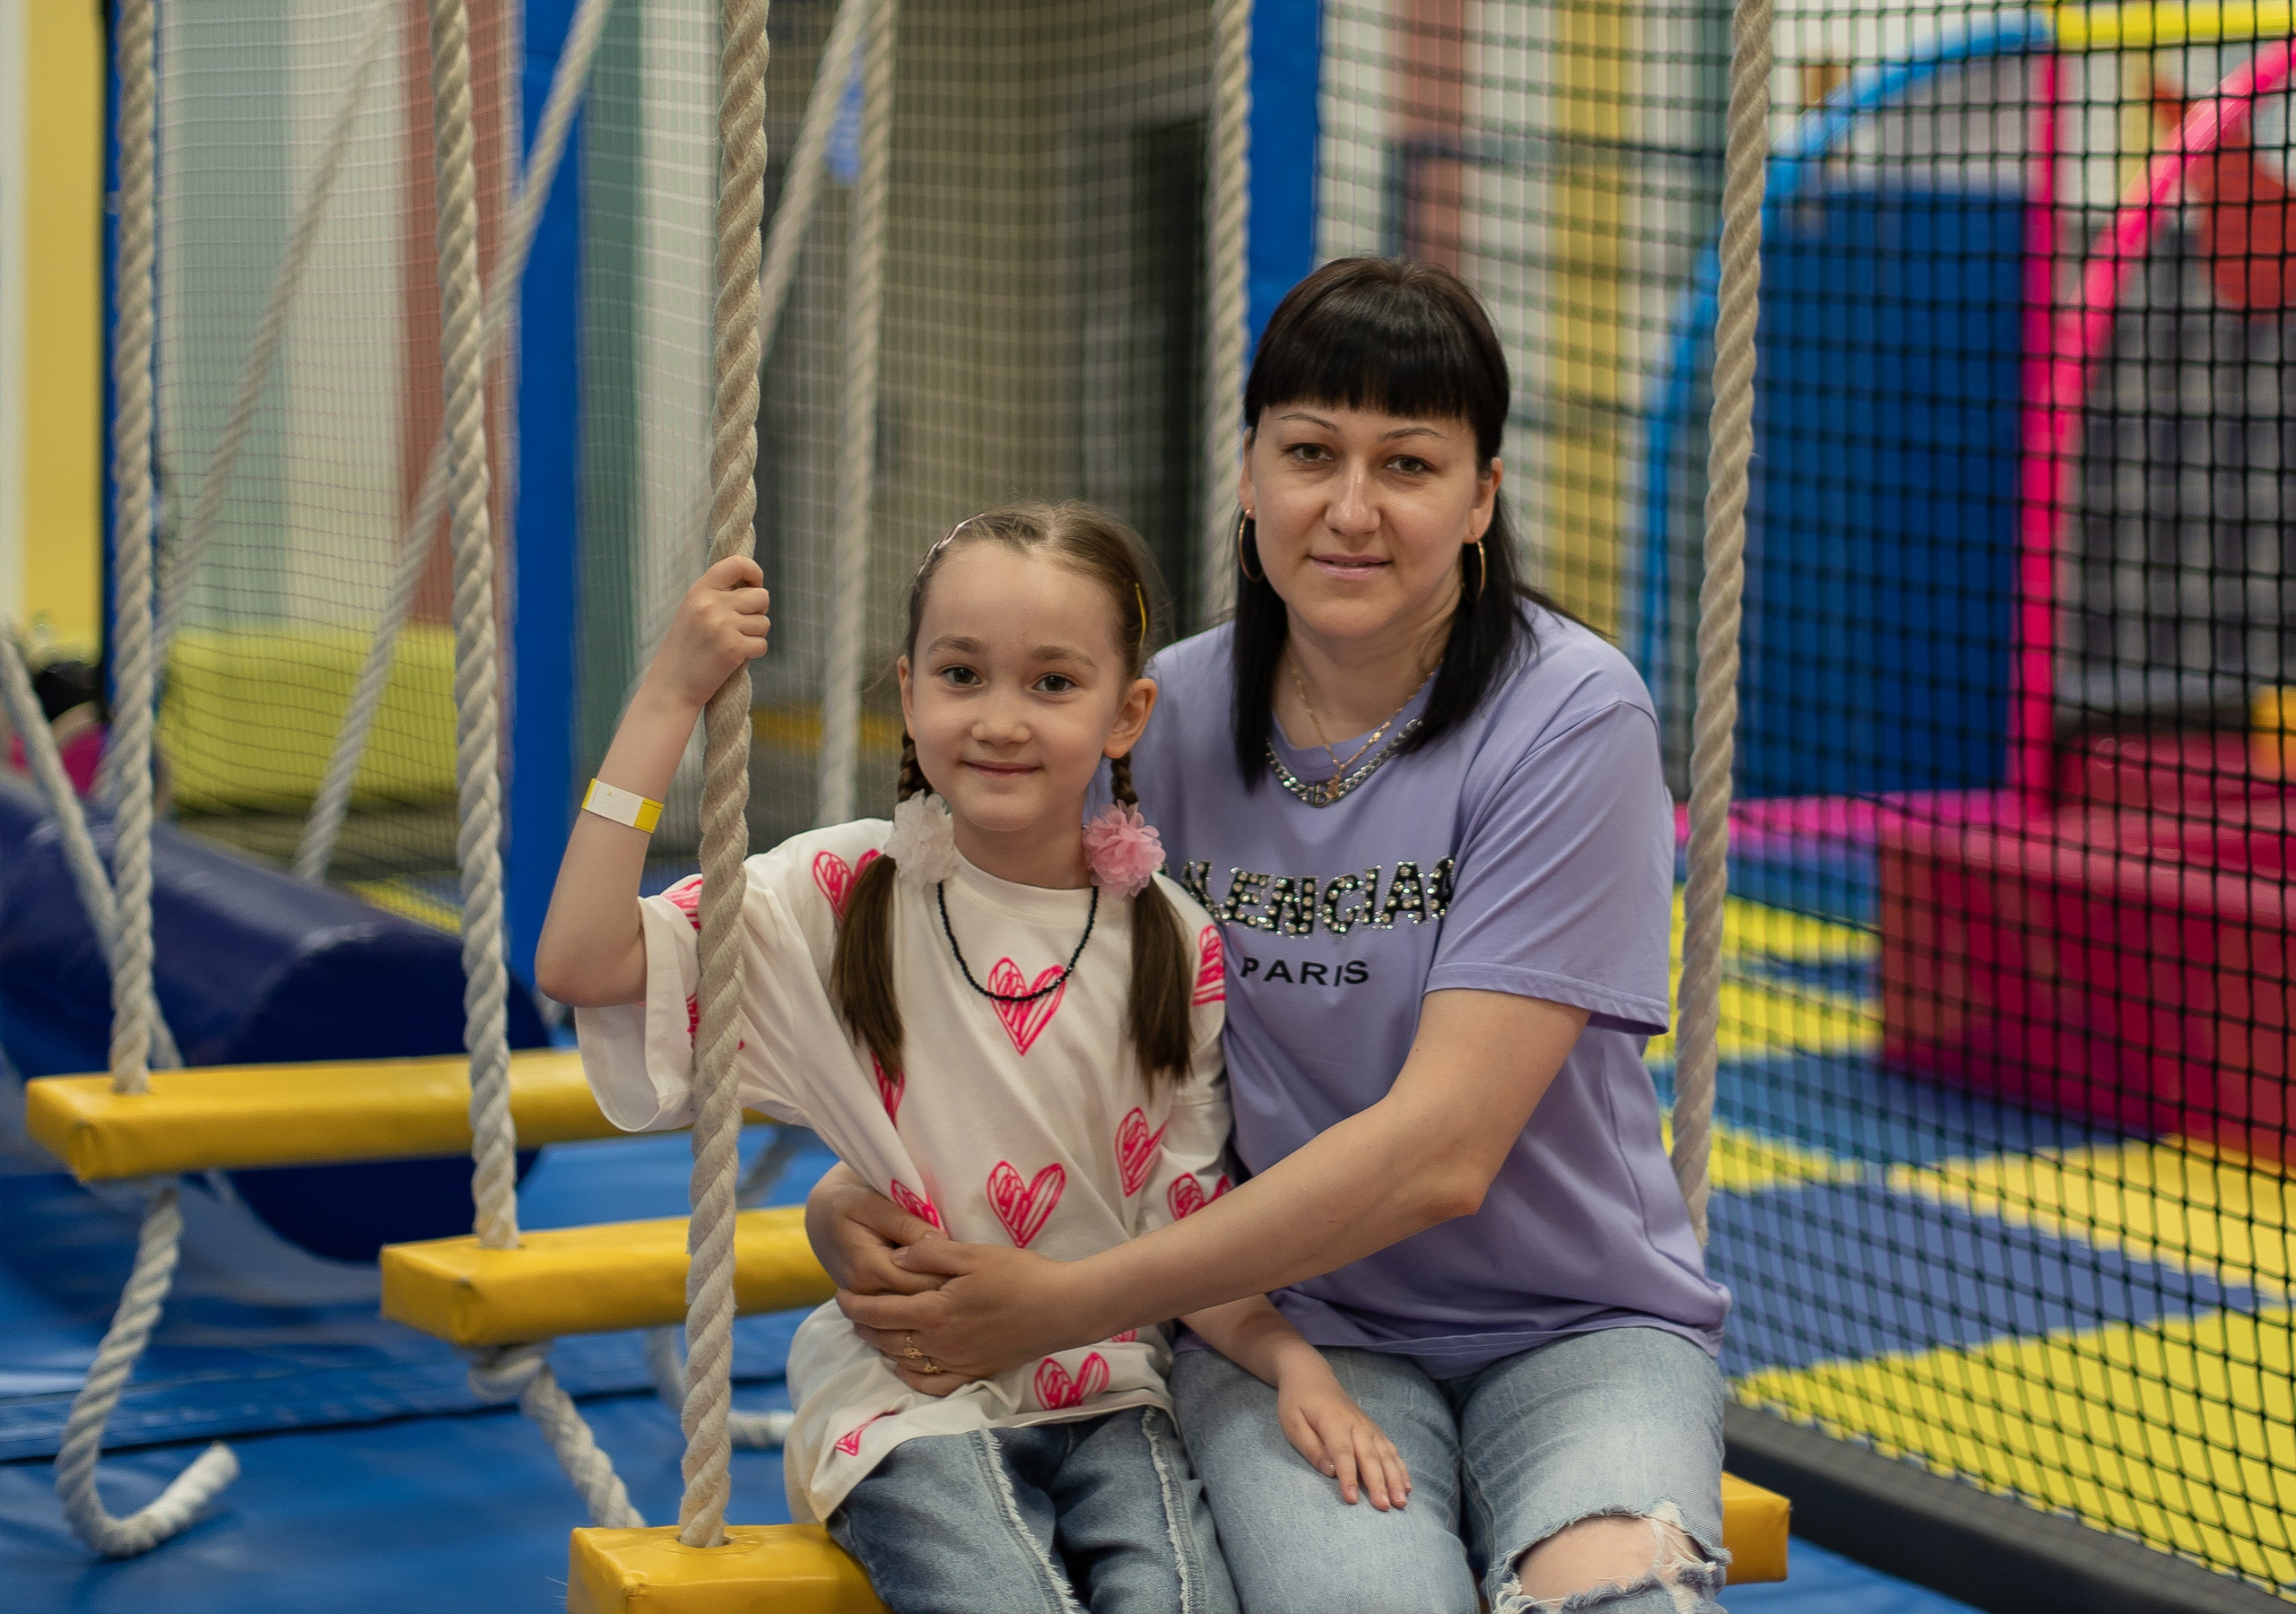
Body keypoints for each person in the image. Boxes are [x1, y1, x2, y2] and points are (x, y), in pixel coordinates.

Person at [808, 260, 1734, 1614]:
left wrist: (1069, 1301)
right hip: (1286, 1328)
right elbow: (993, 1009)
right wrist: (852, 1198)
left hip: (1573, 1323)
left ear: (1481, 499)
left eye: (1408, 464)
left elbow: (1441, 1154)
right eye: (1310, 453)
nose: (1350, 509)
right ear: (1249, 474)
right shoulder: (1151, 719)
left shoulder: (1569, 715)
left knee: (1626, 1602)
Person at [534, 501, 1409, 1614]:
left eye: (1052, 684)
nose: (1000, 718)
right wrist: (667, 699)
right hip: (905, 1401)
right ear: (908, 692)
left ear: (1126, 712)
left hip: (1110, 1394)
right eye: (961, 675)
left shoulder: (1171, 941)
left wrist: (1293, 1363)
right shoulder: (841, 896)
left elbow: (1186, 1239)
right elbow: (581, 961)